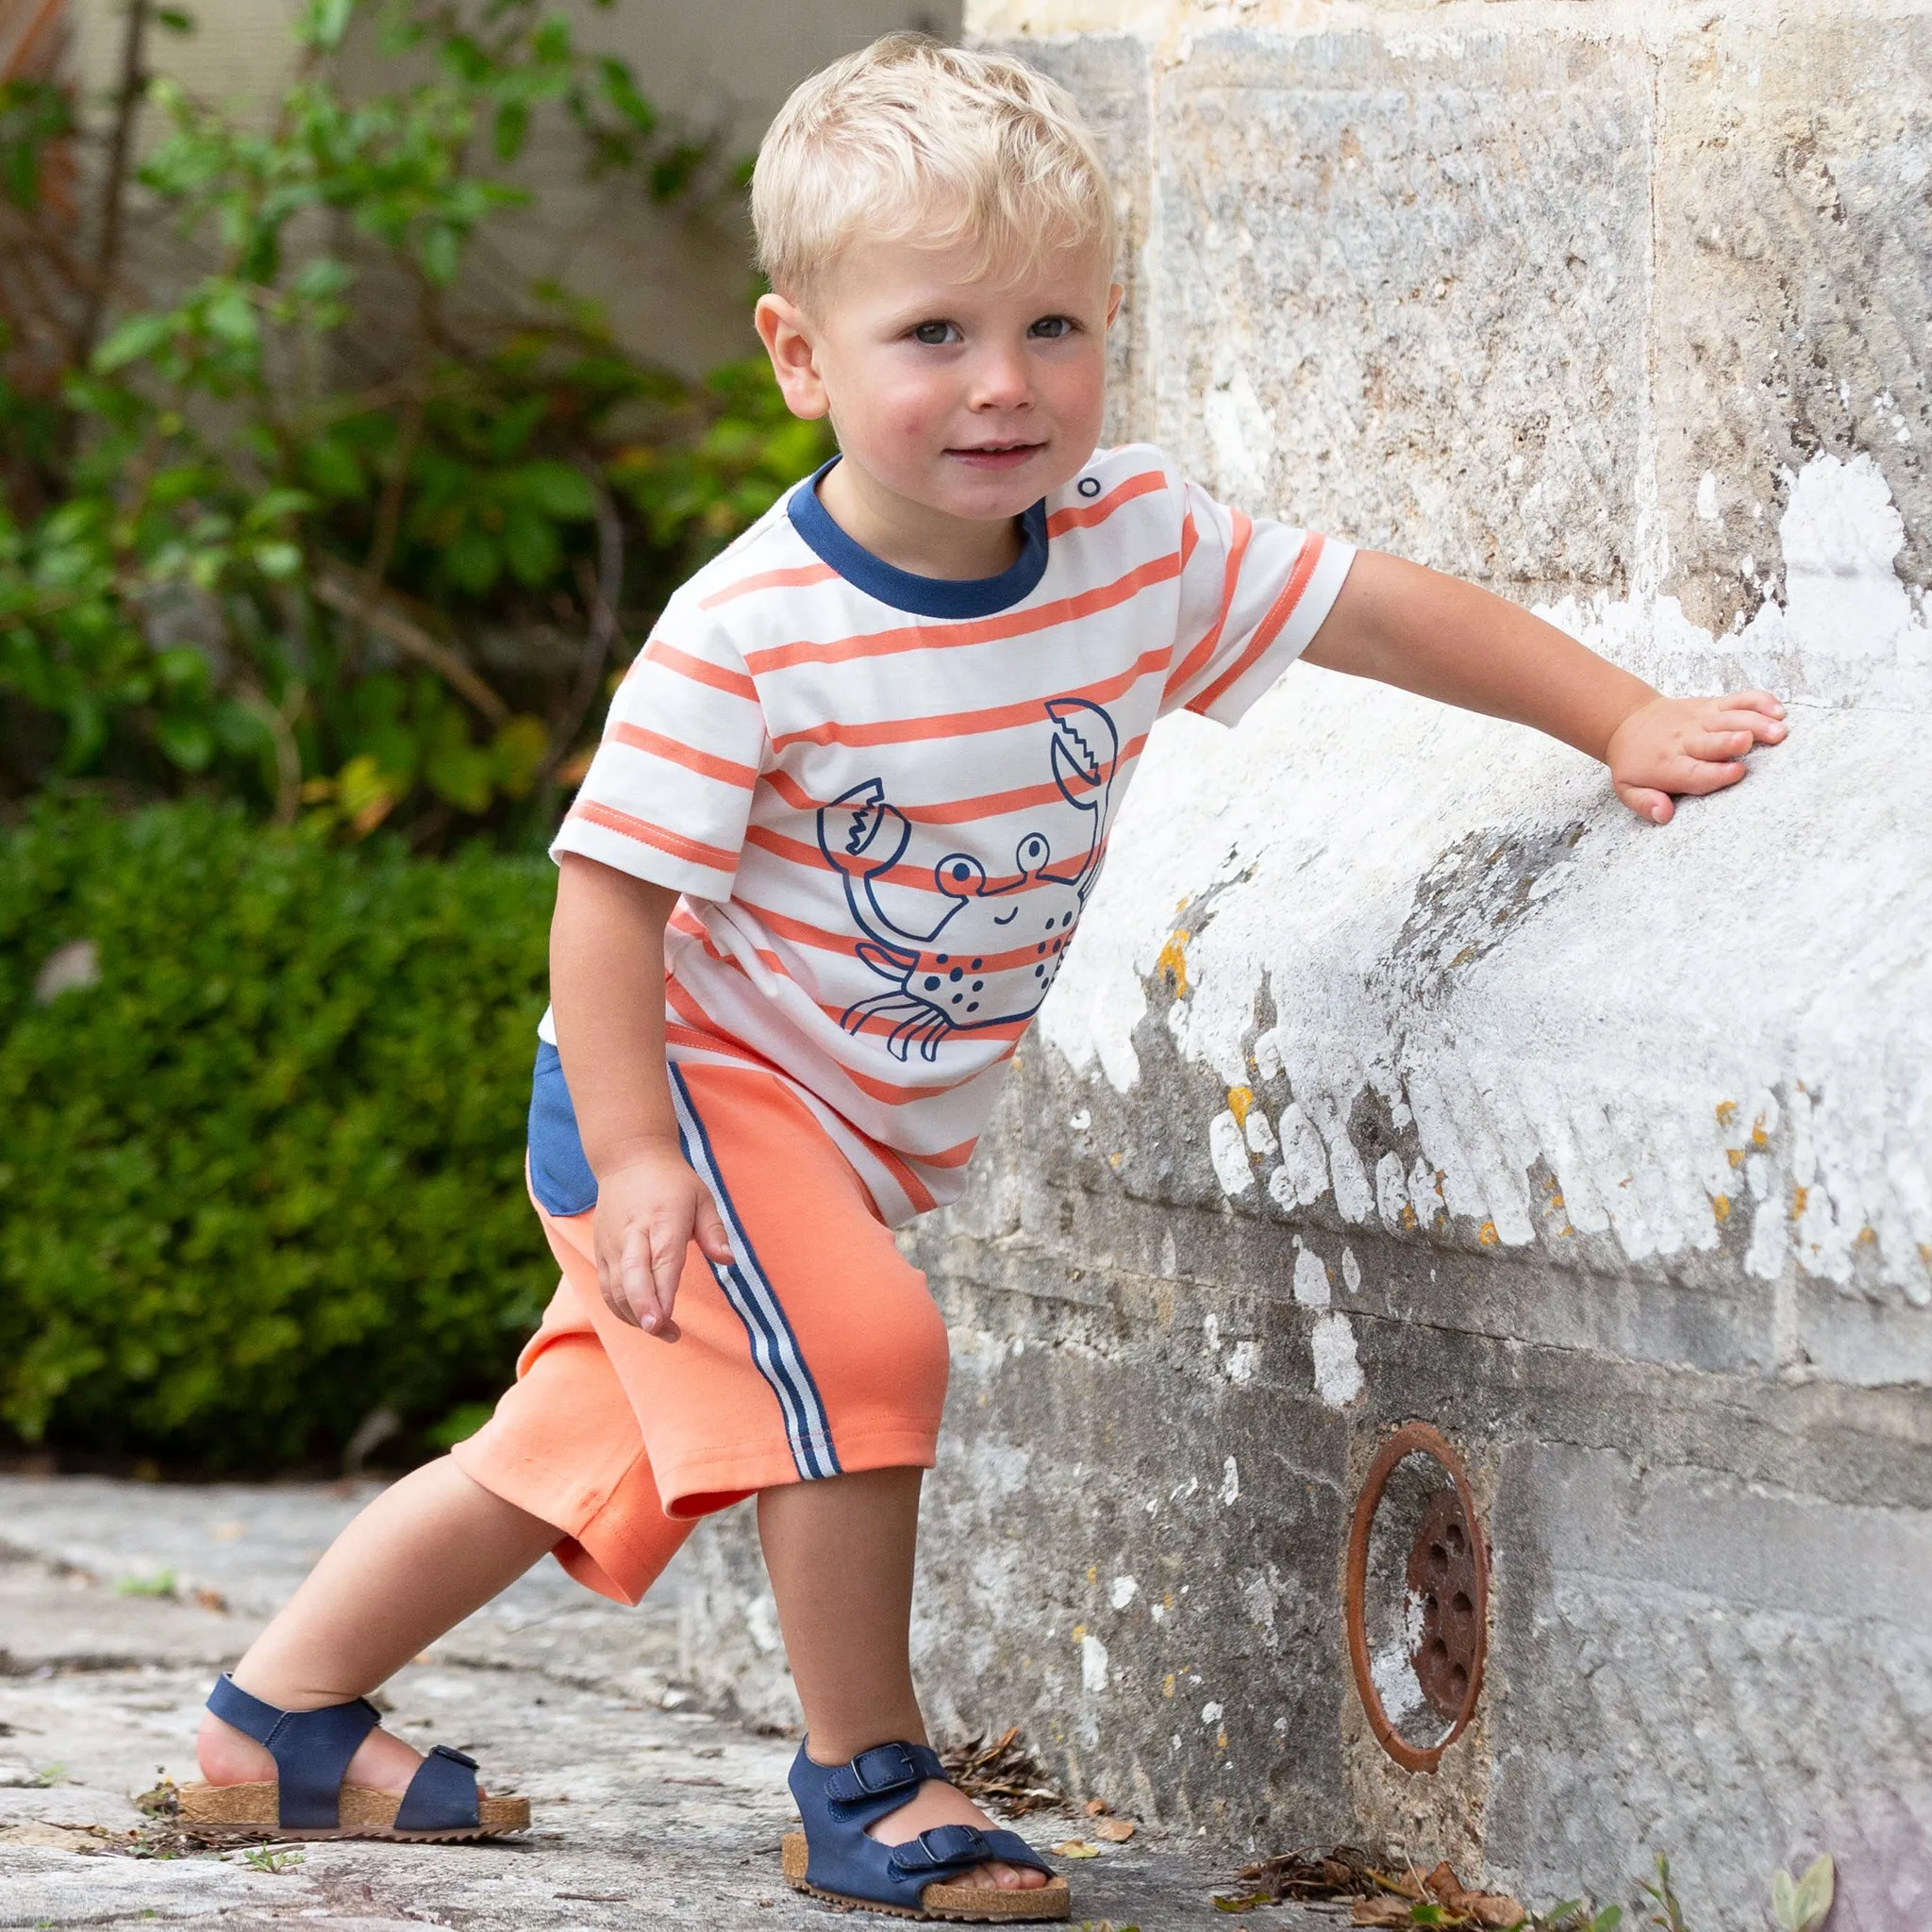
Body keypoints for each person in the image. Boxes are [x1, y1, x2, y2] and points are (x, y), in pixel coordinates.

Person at [177, 32, 1787, 1921]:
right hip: (688, 1093)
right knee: (863, 1351)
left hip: (834, 1128)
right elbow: (602, 907)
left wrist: (1620, 717)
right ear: (800, 356)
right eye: (933, 333)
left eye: (1053, 327)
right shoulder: (753, 636)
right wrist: (634, 1164)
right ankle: (867, 1780)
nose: (1004, 384)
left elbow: (1374, 605)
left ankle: (271, 1722)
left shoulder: (1132, 550)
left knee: (570, 1444)